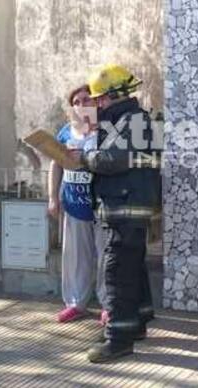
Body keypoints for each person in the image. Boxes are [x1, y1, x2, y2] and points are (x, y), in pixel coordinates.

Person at [69, 63, 159, 364]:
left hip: (124, 207)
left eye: (100, 99)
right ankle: (136, 324)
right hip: (127, 205)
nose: (97, 104)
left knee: (116, 271)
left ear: (115, 95)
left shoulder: (131, 121)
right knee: (131, 267)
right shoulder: (128, 120)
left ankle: (117, 340)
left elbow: (114, 159)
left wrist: (83, 157)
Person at [48, 85, 106, 324]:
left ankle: (108, 305)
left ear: (97, 103)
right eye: (77, 101)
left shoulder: (106, 131)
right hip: (73, 204)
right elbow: (55, 165)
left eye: (87, 99)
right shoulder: (65, 132)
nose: (82, 104)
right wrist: (53, 197)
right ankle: (75, 303)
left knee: (105, 257)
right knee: (75, 258)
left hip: (101, 205)